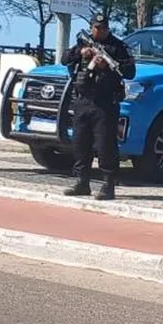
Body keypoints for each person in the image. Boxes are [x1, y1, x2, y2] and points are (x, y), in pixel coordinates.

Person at [60, 14, 136, 200]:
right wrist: (81, 53)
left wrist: (107, 66)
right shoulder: (83, 43)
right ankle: (82, 182)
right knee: (80, 143)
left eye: (103, 28)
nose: (99, 31)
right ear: (92, 27)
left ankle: (108, 185)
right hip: (83, 100)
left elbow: (130, 72)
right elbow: (64, 59)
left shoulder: (117, 47)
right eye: (96, 27)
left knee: (105, 145)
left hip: (105, 103)